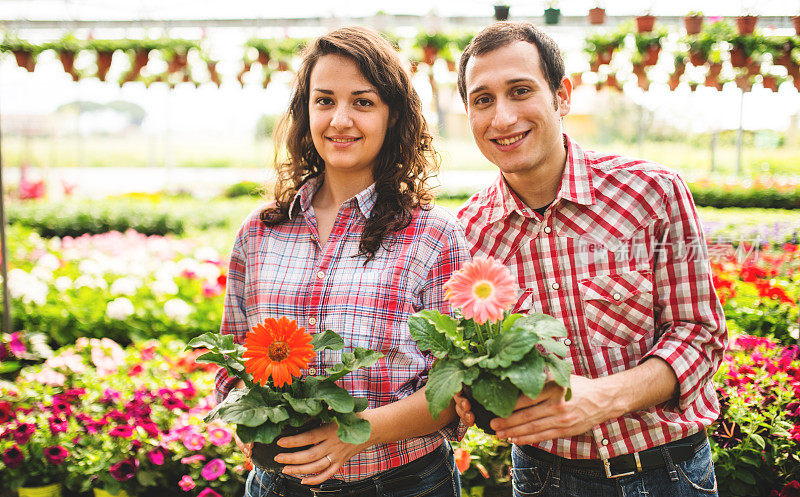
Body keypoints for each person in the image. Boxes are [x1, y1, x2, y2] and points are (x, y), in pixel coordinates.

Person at [453, 21, 727, 497]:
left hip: (667, 472)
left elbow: (700, 335)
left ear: (562, 96)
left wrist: (603, 398)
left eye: (520, 91)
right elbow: (476, 361)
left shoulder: (651, 193)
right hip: (545, 478)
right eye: (483, 99)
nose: (501, 118)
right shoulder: (468, 234)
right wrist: (472, 398)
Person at [214, 26, 470, 497]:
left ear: (393, 115)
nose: (340, 120)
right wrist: (247, 419)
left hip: (401, 483)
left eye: (363, 102)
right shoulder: (262, 231)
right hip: (278, 484)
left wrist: (356, 433)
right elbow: (233, 359)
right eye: (325, 100)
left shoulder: (433, 235)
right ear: (305, 111)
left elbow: (454, 390)